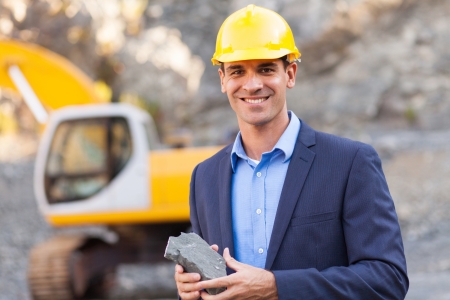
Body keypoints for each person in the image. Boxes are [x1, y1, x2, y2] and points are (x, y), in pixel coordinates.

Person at [175, 4, 408, 299]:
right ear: (223, 80)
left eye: (266, 69)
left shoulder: (350, 163)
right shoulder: (204, 178)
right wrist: (190, 290)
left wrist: (276, 287)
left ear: (291, 74)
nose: (253, 84)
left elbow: (388, 279)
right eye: (237, 71)